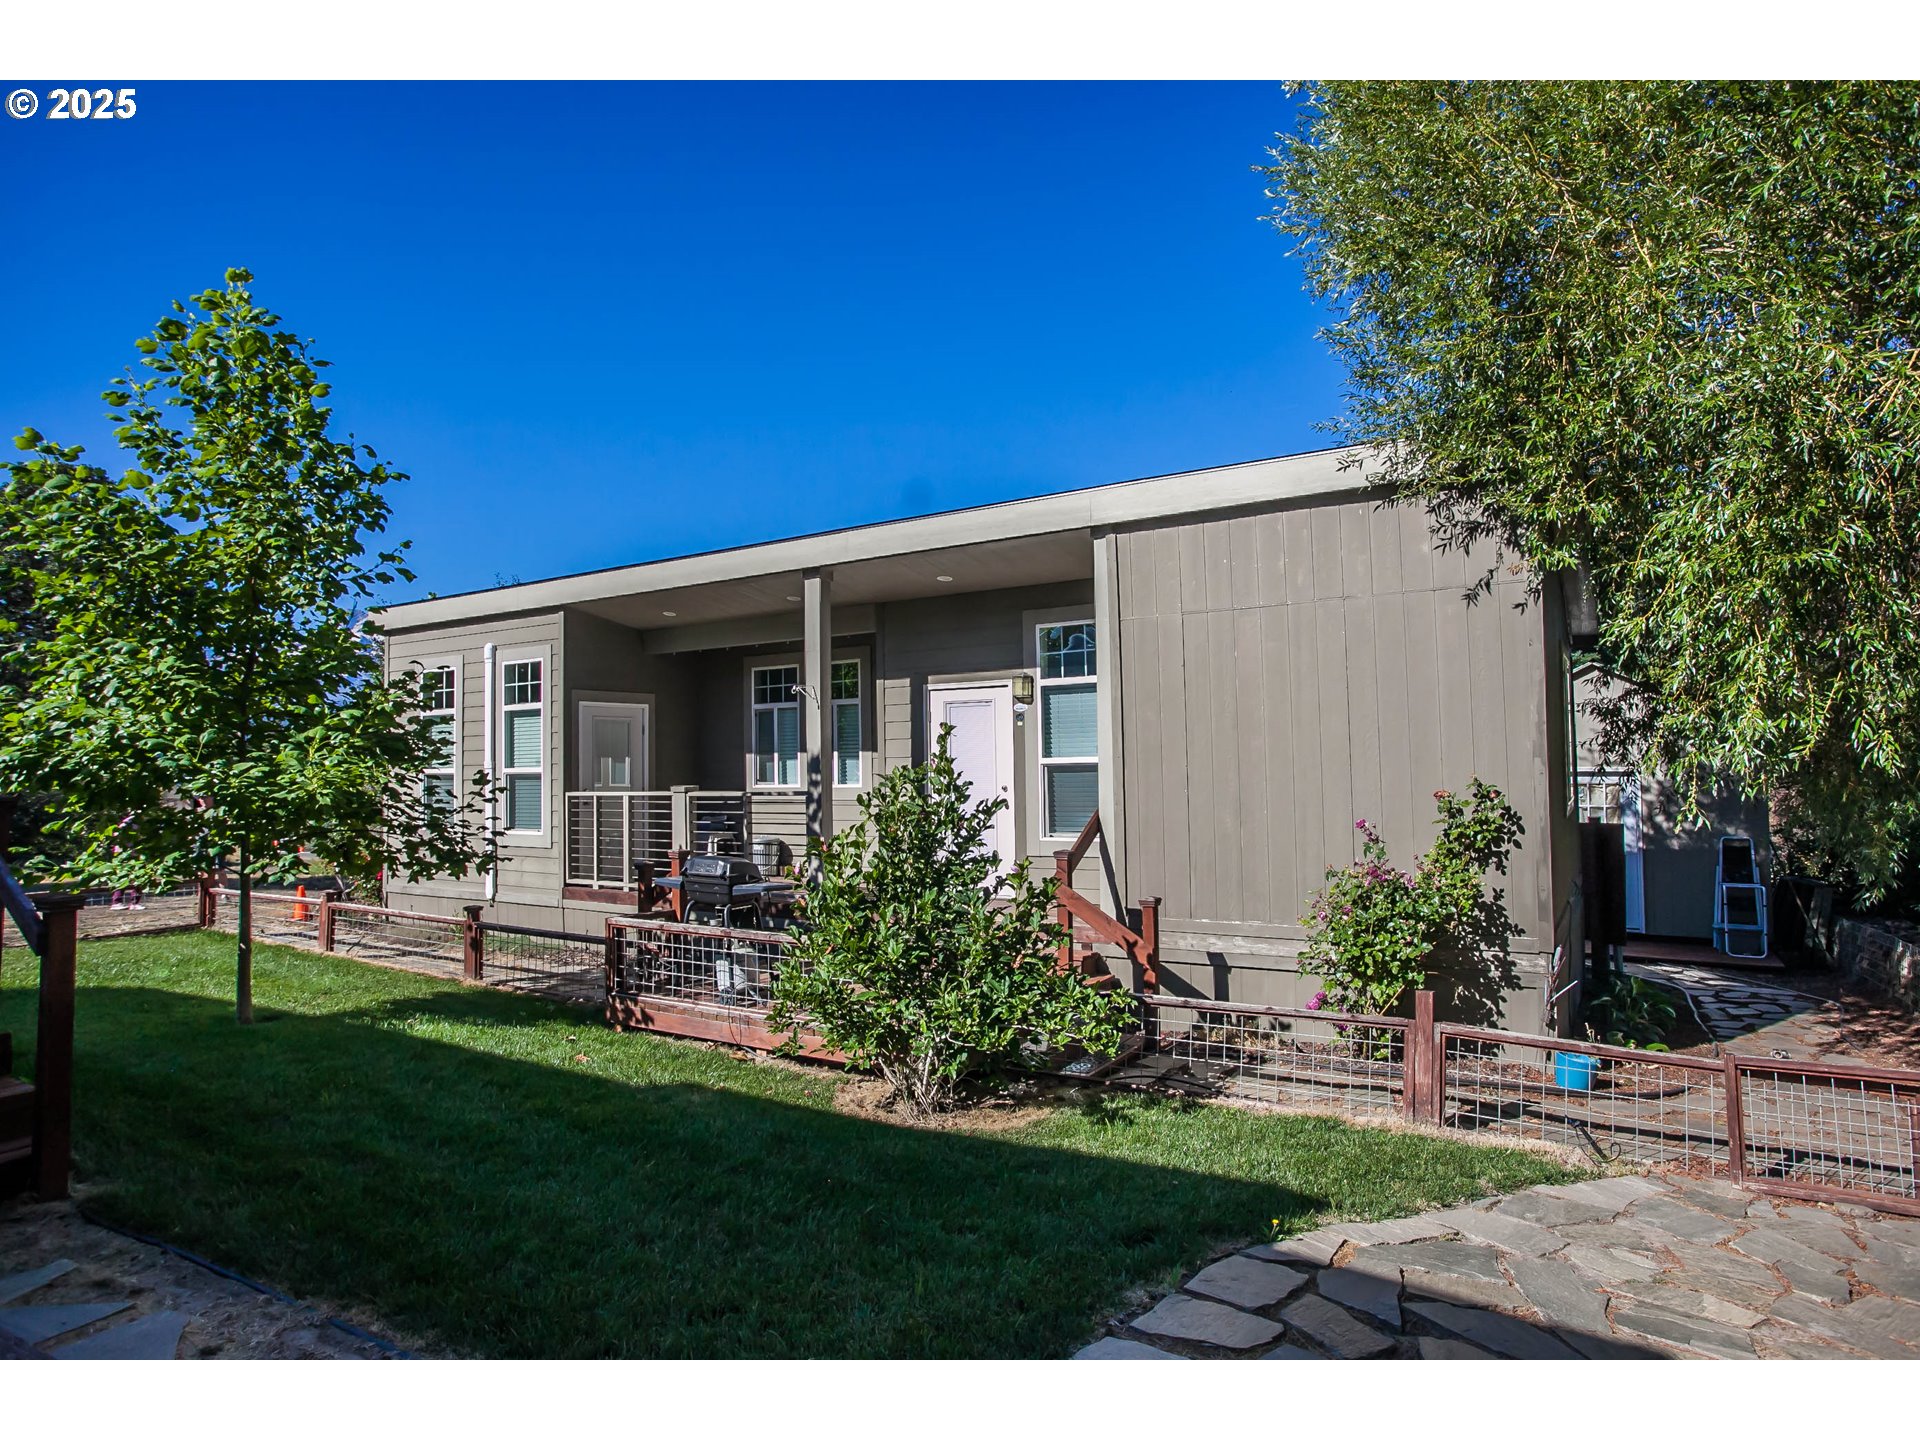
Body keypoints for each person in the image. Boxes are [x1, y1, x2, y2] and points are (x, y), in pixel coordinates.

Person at [109, 811, 144, 910]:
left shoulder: (132, 823)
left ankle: (134, 902)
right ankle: (117, 902)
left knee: (138, 878)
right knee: (124, 877)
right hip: (126, 854)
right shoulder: (130, 823)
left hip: (132, 853)